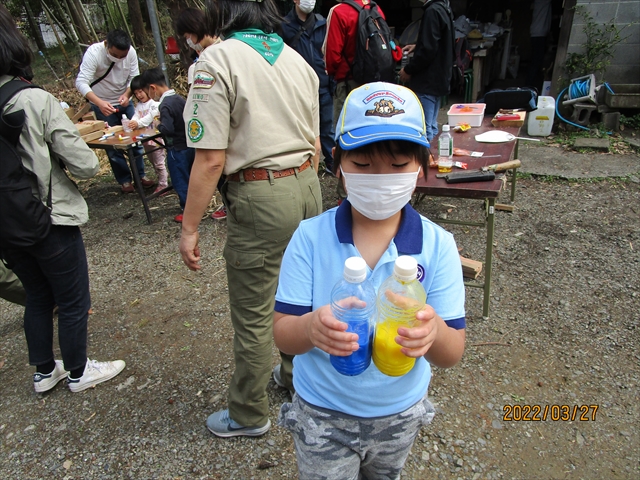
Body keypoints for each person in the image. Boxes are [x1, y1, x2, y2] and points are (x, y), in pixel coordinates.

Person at [273, 81, 466, 478]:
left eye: (397, 167)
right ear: (338, 163)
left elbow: (452, 353)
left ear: (422, 164)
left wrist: (432, 336)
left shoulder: (438, 245)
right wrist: (311, 327)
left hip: (399, 413)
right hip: (322, 413)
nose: (380, 179)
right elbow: (282, 334)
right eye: (362, 166)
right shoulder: (310, 238)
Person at [179, 0, 322, 438]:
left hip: (261, 192)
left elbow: (209, 160)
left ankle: (247, 413)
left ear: (224, 15)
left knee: (255, 310)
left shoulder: (215, 62)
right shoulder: (299, 60)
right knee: (297, 293)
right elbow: (315, 143)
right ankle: (294, 376)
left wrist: (189, 227)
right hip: (308, 186)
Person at [0, 5, 126, 393]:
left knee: (37, 295)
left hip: (7, 223)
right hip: (48, 216)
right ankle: (77, 371)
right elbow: (85, 164)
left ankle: (43, 372)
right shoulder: (32, 100)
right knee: (72, 299)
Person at [76, 29, 154, 193]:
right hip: (102, 103)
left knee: (135, 138)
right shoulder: (94, 53)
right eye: (115, 55)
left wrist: (127, 94)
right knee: (112, 144)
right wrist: (99, 102)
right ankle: (125, 180)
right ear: (107, 45)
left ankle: (141, 175)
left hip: (124, 102)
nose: (118, 59)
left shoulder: (131, 52)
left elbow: (134, 77)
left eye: (122, 56)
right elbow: (81, 82)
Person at [176, 7, 227, 220]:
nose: (189, 41)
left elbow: (202, 108)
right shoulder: (233, 49)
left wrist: (190, 226)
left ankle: (227, 204)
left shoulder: (208, 61)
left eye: (188, 36)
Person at [281, 0, 335, 174]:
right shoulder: (284, 26)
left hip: (323, 85)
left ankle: (333, 165)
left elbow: (331, 51)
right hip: (297, 87)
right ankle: (300, 165)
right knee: (300, 128)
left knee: (327, 129)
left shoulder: (323, 23)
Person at [323, 0, 392, 130]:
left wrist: (334, 72)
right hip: (376, 83)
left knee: (345, 130)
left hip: (348, 82)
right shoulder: (376, 9)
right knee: (372, 129)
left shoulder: (338, 11)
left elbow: (332, 56)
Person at [141, 67, 194, 223]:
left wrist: (158, 124)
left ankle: (187, 211)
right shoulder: (179, 98)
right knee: (190, 177)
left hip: (176, 148)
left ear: (152, 88)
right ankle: (196, 206)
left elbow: (168, 129)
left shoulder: (165, 105)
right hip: (189, 145)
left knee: (180, 180)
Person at [399, 0, 454, 141]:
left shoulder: (432, 11)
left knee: (424, 128)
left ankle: (427, 160)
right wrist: (417, 46)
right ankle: (435, 158)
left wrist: (409, 69)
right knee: (432, 126)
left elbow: (427, 50)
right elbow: (436, 42)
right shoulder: (443, 8)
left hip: (427, 80)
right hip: (439, 79)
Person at [129, 75, 168, 195]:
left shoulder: (154, 104)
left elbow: (149, 118)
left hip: (155, 137)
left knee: (159, 162)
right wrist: (132, 121)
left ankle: (164, 184)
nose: (139, 95)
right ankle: (161, 179)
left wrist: (137, 123)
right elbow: (136, 115)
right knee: (152, 161)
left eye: (141, 91)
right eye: (136, 93)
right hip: (145, 138)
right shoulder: (139, 105)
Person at [526, 0, 552, 89]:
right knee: (536, 61)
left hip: (537, 32)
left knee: (536, 60)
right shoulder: (543, 2)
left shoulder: (537, 3)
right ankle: (529, 85)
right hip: (539, 34)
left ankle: (530, 84)